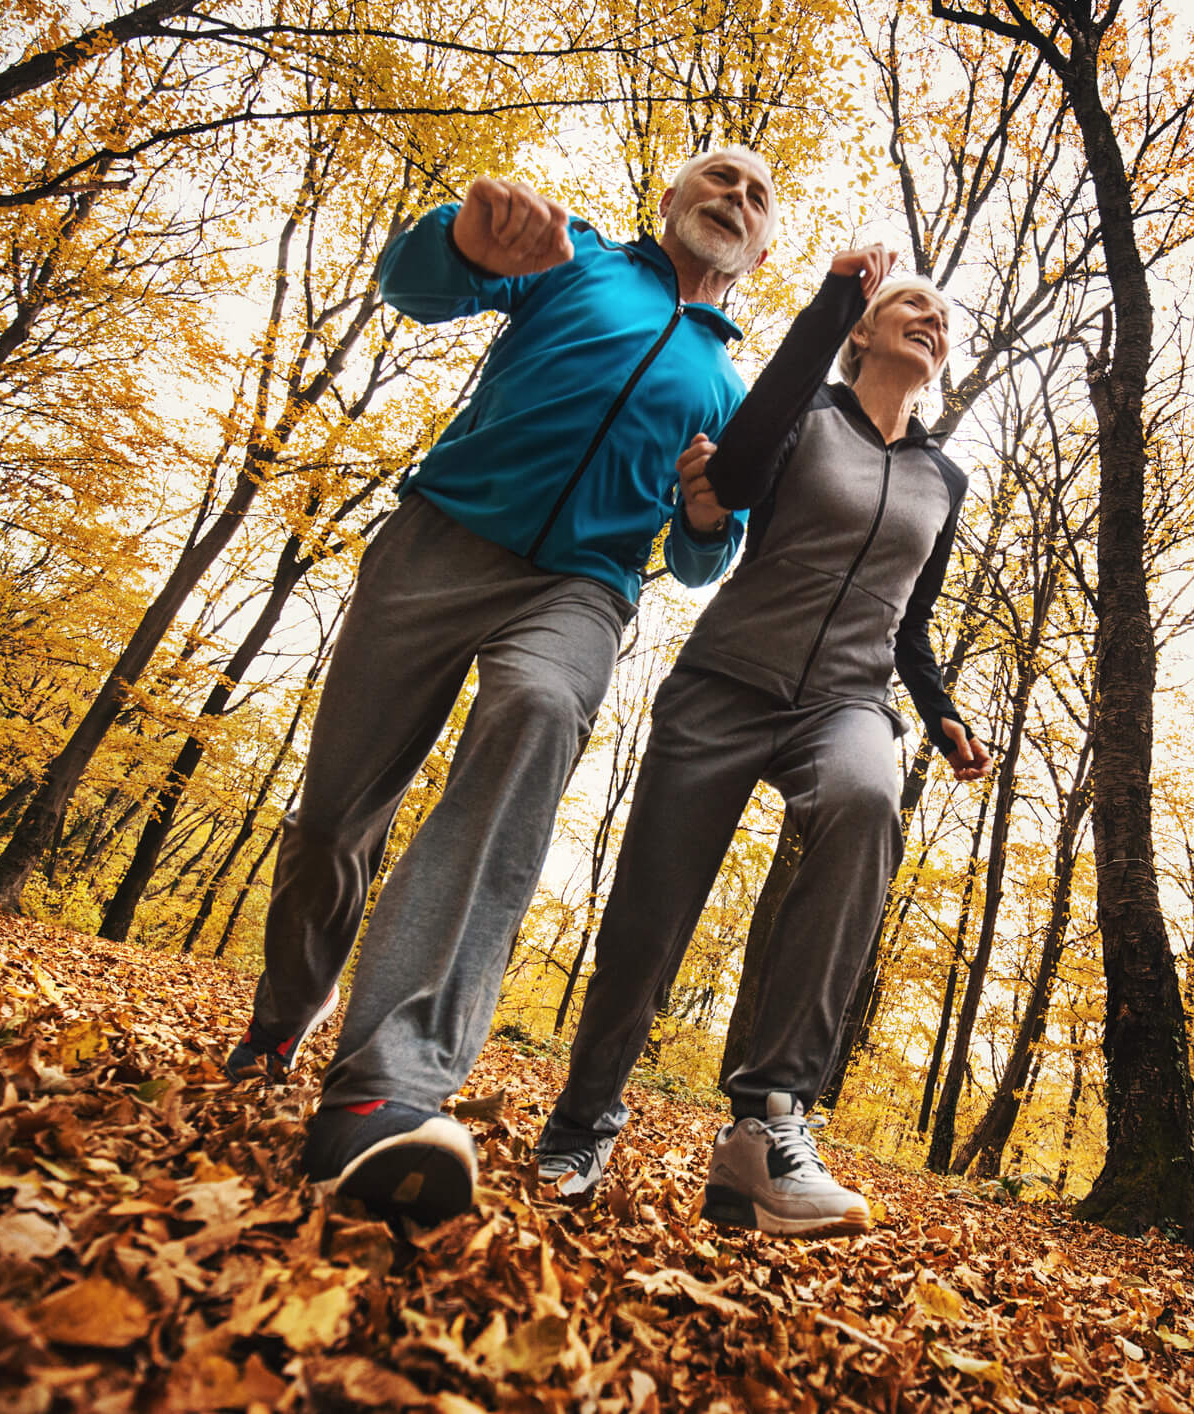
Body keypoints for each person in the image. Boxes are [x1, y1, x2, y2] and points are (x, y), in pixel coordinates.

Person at [224, 149, 780, 1230]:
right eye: (717, 178)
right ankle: (288, 1011)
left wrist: (711, 519)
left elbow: (707, 552)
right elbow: (418, 286)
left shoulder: (733, 389)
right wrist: (457, 242)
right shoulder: (573, 265)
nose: (734, 199)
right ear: (667, 200)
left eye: (758, 198)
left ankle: (388, 1087)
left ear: (764, 251)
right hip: (440, 542)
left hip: (582, 590)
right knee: (336, 813)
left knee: (535, 711)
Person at [531, 251, 995, 1238]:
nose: (931, 319)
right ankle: (582, 1120)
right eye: (911, 303)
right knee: (650, 921)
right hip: (730, 681)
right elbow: (733, 475)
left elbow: (912, 625)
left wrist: (941, 703)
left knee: (870, 800)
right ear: (863, 331)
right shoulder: (808, 413)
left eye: (943, 317)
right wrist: (833, 300)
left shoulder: (942, 478)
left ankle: (768, 1120)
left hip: (847, 699)